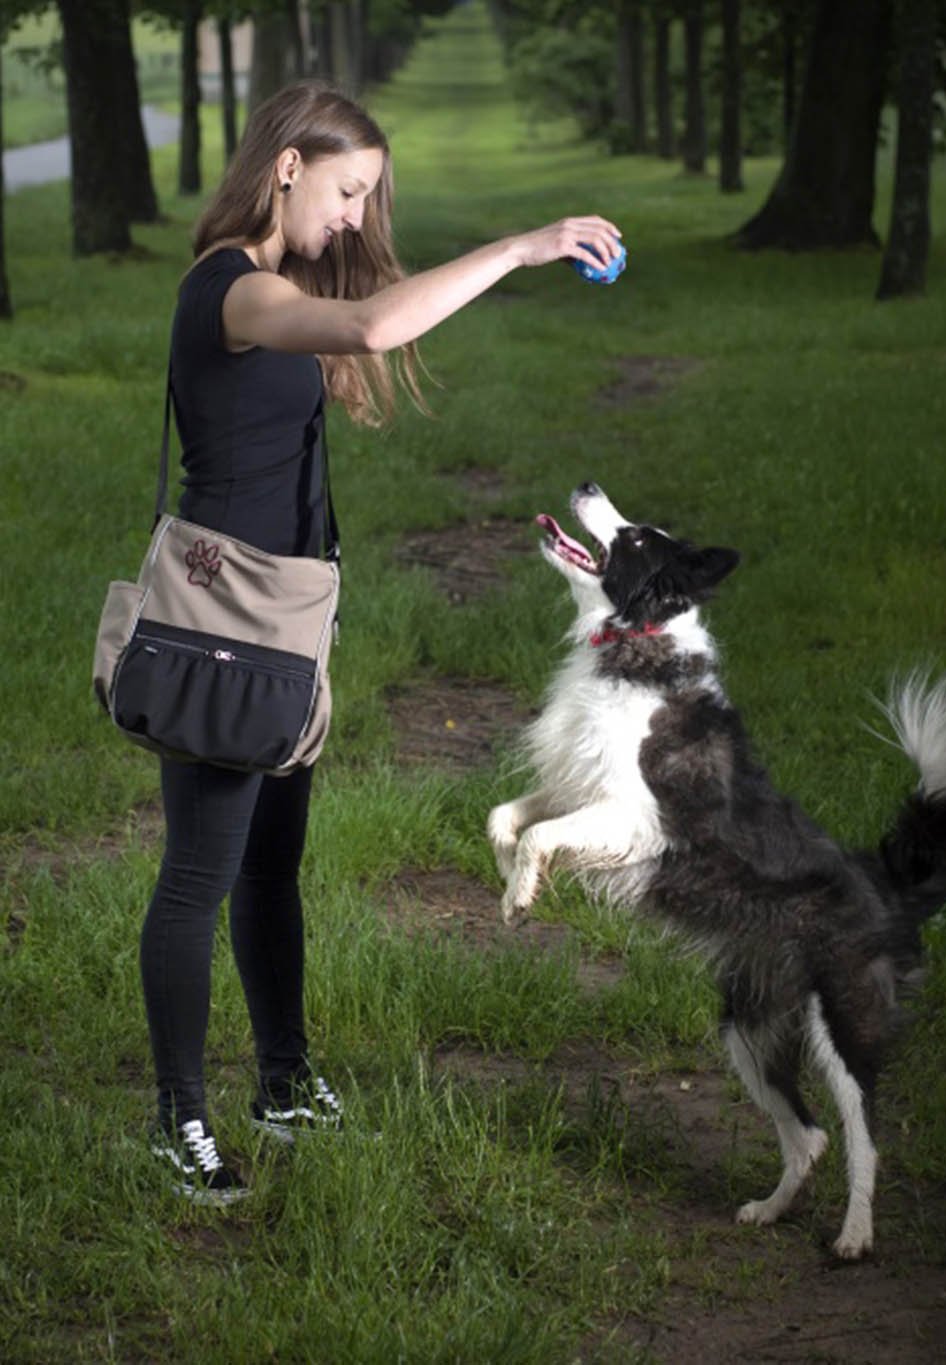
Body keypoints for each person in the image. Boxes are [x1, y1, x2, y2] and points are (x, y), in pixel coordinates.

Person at [143, 78, 621, 1205]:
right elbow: (369, 322)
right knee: (198, 875)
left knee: (270, 865)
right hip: (227, 632)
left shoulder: (272, 285)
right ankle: (178, 1120)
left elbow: (356, 320)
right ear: (288, 166)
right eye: (349, 190)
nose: (357, 217)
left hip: (286, 620)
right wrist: (522, 246)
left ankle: (284, 1082)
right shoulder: (232, 290)